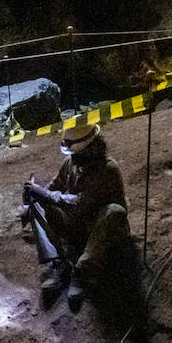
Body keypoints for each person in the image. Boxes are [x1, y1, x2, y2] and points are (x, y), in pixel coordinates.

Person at [21, 124, 132, 312]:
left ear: (91, 149)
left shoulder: (107, 169)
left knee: (115, 211)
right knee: (38, 201)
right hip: (77, 225)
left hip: (99, 229)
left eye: (77, 153)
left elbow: (82, 203)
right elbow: (54, 188)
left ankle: (81, 271)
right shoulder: (72, 163)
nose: (73, 156)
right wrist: (33, 197)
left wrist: (47, 195)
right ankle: (57, 261)